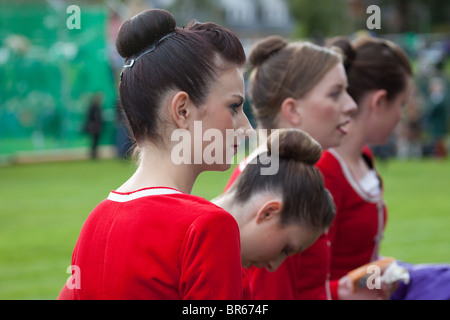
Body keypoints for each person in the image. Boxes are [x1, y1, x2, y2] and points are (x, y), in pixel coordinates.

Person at [58, 8, 252, 300]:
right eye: (234, 107)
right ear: (182, 110)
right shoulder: (207, 227)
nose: (247, 127)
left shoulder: (96, 223)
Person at [223, 35, 357, 300]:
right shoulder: (281, 191)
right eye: (335, 93)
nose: (351, 105)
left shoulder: (276, 176)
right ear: (292, 109)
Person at [321, 35, 450, 300]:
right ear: (379, 102)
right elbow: (302, 281)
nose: (402, 117)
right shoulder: (326, 170)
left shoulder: (363, 155)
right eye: (401, 104)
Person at [213, 129, 335, 274]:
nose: (273, 266)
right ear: (268, 212)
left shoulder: (229, 272)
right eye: (285, 249)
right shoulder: (187, 252)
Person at [83, 93, 103, 159]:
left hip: (97, 126)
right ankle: (93, 153)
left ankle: (94, 153)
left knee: (96, 140)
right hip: (94, 126)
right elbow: (90, 117)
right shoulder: (93, 107)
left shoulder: (98, 107)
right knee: (94, 141)